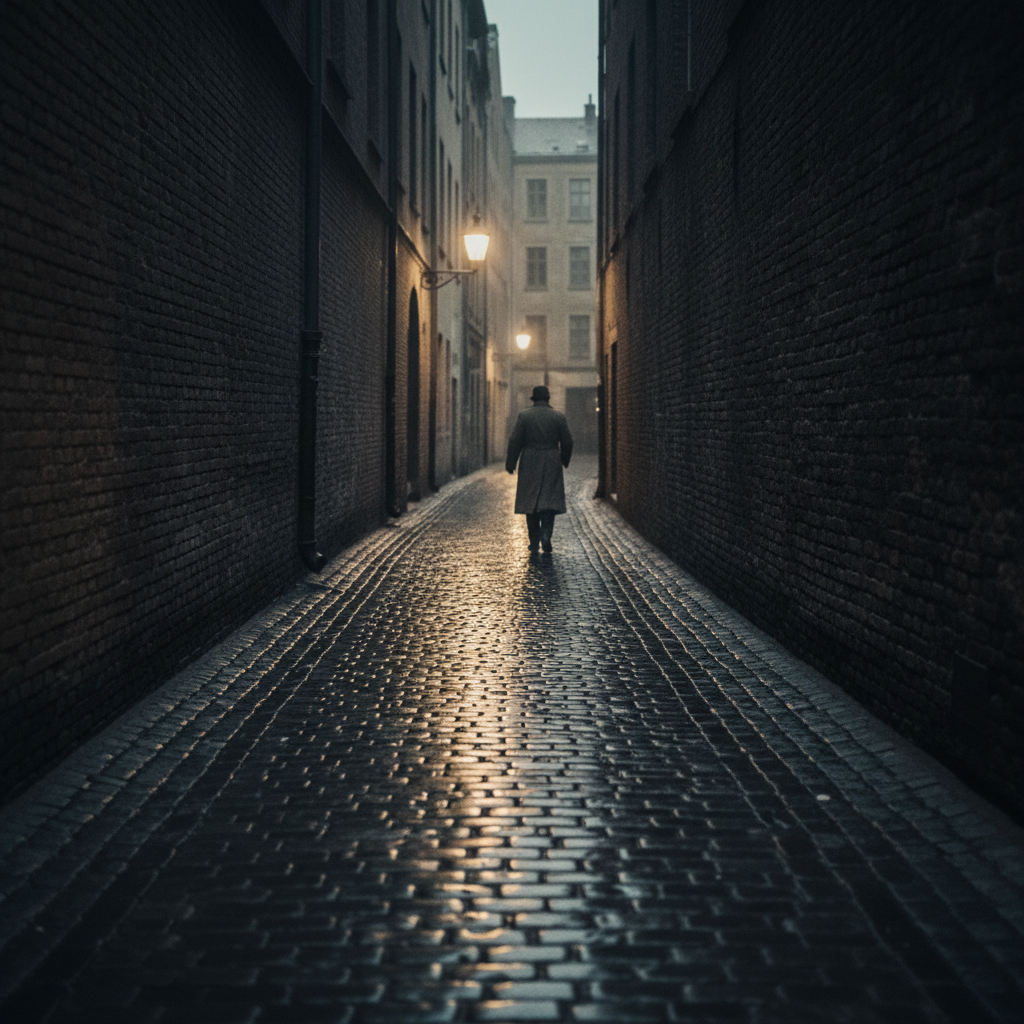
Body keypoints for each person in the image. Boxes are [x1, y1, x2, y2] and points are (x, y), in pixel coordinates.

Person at [506, 385, 574, 554]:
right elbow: (568, 441)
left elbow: (515, 440)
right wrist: (563, 459)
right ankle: (546, 536)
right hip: (551, 459)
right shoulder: (558, 417)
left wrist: (511, 461)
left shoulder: (525, 416)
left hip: (530, 460)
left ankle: (534, 541)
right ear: (548, 398)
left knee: (531, 503)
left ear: (534, 399)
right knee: (548, 502)